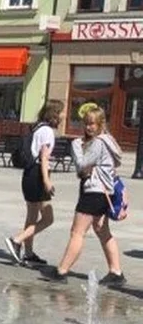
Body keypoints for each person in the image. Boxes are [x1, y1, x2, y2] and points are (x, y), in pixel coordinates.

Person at [47, 106, 125, 285]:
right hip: (105, 192)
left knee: (77, 231)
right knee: (102, 230)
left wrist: (77, 148)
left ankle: (61, 271)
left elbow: (82, 164)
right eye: (86, 123)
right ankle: (116, 271)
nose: (88, 127)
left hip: (94, 191)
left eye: (92, 124)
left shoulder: (98, 142)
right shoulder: (109, 141)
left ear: (100, 124)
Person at [3, 100, 62, 266]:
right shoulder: (48, 132)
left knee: (32, 216)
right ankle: (17, 240)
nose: (63, 116)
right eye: (61, 112)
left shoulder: (36, 128)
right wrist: (47, 181)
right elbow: (44, 157)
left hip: (29, 173)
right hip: (38, 175)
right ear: (55, 114)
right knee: (48, 218)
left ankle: (28, 253)